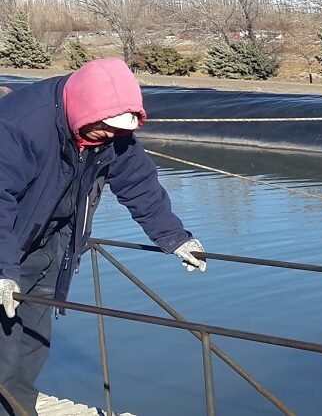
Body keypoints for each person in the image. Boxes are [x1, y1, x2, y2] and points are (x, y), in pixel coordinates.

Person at [0, 58, 207, 416]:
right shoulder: (19, 125)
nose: (110, 136)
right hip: (7, 242)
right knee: (2, 344)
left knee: (32, 342)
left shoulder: (108, 131)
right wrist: (2, 269)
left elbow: (138, 182)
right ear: (82, 109)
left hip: (51, 244)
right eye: (105, 128)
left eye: (117, 129)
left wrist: (175, 238)